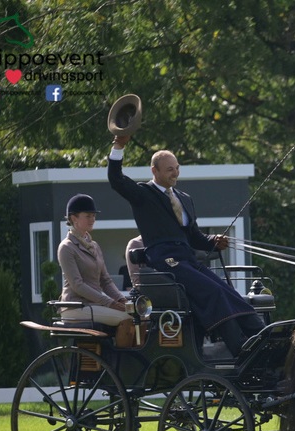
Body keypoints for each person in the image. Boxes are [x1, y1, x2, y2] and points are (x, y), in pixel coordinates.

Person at [107, 134, 263, 356]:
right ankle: (240, 350)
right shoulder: (143, 194)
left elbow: (194, 237)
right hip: (164, 260)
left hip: (187, 259)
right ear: (155, 171)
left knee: (228, 291)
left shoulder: (184, 198)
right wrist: (118, 147)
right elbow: (116, 179)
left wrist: (213, 242)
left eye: (177, 168)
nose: (175, 173)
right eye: (169, 169)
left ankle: (261, 337)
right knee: (213, 292)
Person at [57, 194, 130, 326]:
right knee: (127, 318)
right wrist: (110, 303)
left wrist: (122, 300)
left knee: (136, 314)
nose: (93, 219)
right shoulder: (66, 247)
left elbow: (105, 280)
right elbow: (77, 285)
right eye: (88, 216)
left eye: (93, 216)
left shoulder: (94, 246)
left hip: (95, 305)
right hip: (76, 307)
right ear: (74, 218)